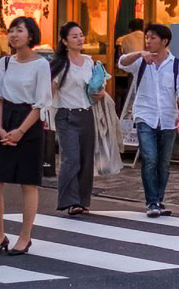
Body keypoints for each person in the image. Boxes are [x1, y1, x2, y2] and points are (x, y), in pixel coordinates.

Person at [0, 16, 52, 256]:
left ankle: (25, 237)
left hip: (30, 121)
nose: (13, 35)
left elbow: (41, 102)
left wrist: (20, 131)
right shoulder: (4, 63)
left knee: (29, 183)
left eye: (19, 31)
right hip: (6, 119)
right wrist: (1, 128)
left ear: (31, 36)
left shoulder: (41, 65)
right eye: (11, 31)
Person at [117, 23, 179, 218]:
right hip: (145, 115)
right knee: (149, 158)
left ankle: (158, 199)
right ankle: (152, 202)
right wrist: (140, 54)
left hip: (167, 117)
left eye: (153, 38)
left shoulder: (177, 65)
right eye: (147, 37)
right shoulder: (141, 61)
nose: (148, 41)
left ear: (164, 41)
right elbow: (122, 62)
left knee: (164, 162)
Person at [50, 21, 99, 216]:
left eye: (81, 35)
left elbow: (95, 88)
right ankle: (69, 201)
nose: (80, 39)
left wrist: (100, 94)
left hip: (87, 113)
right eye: (74, 36)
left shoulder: (89, 61)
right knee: (71, 159)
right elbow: (49, 90)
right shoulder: (60, 64)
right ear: (64, 41)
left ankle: (82, 201)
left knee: (87, 159)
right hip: (66, 114)